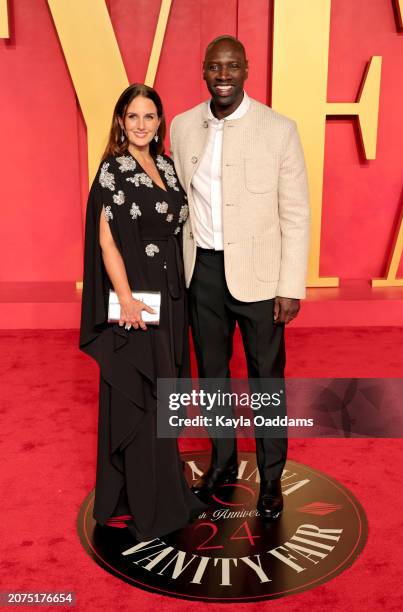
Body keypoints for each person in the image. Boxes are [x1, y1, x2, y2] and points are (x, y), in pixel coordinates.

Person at [170, 36, 310, 519]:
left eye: (232, 66)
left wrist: (290, 285)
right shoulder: (183, 126)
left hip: (261, 278)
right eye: (214, 66)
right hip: (201, 272)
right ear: (203, 72)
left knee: (266, 379)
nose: (223, 74)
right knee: (211, 377)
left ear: (246, 70)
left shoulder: (279, 129)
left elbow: (296, 213)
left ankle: (271, 480)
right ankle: (223, 464)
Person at [79, 83, 206, 541]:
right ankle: (147, 501)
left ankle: (166, 487)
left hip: (171, 298)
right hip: (137, 299)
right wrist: (126, 297)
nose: (140, 125)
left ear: (159, 123)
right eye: (132, 116)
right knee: (142, 392)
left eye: (148, 117)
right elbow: (106, 241)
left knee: (165, 394)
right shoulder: (113, 171)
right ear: (120, 121)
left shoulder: (168, 169)